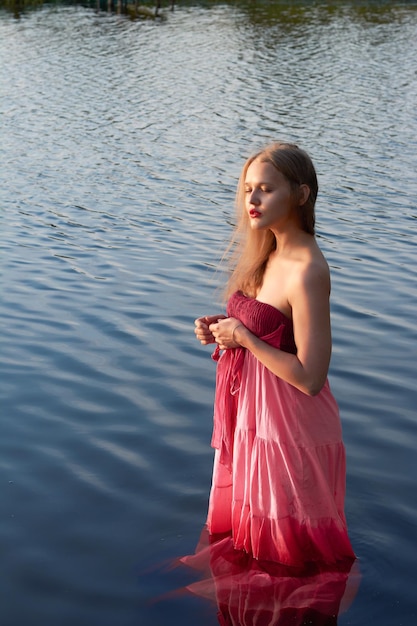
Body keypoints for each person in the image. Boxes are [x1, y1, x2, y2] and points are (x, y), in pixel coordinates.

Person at [194, 141, 356, 568]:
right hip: (257, 412)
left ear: (300, 195)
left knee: (291, 548)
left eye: (265, 189)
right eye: (248, 189)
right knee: (254, 542)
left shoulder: (307, 270)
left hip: (290, 423)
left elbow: (310, 376)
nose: (252, 199)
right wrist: (222, 329)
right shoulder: (270, 252)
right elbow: (266, 323)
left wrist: (244, 337)